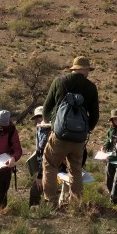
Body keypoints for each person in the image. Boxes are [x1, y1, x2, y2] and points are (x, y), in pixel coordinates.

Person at [41, 55, 100, 206]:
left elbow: (47, 108)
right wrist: (86, 130)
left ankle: (51, 201)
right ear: (86, 70)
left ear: (74, 69)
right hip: (79, 137)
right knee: (75, 170)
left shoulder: (60, 81)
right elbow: (95, 115)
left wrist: (53, 124)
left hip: (60, 135)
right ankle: (76, 204)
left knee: (50, 164)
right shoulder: (91, 87)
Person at [0, 110, 23, 211]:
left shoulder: (12, 131)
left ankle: (2, 215)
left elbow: (18, 149)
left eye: (3, 125)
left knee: (2, 195)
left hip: (4, 168)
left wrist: (13, 158)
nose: (0, 127)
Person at [28, 106, 52, 207]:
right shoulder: (40, 130)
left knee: (36, 191)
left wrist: (40, 176)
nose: (38, 120)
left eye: (40, 117)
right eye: (36, 118)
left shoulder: (49, 132)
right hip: (43, 167)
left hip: (48, 168)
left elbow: (45, 157)